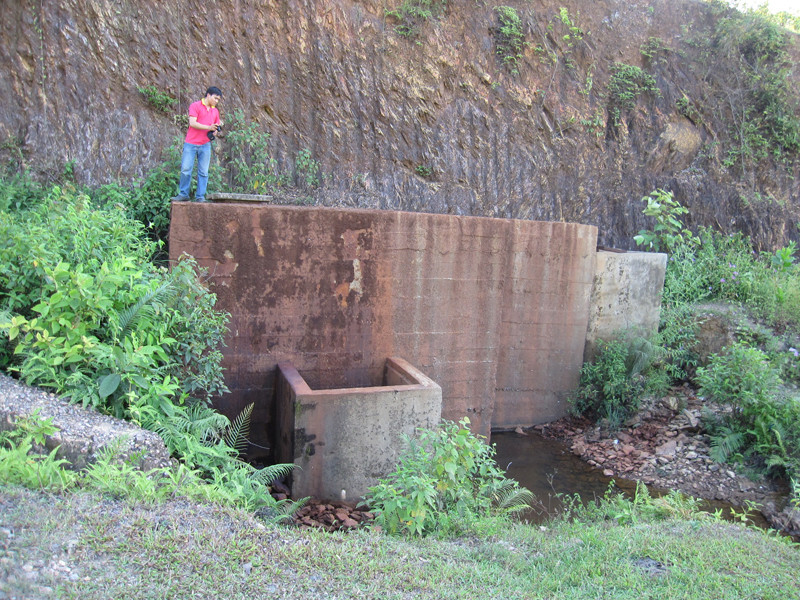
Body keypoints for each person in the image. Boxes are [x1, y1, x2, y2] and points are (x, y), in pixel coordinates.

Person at [173, 86, 223, 202]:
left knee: (203, 172)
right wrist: (208, 127)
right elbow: (192, 123)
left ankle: (200, 196)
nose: (216, 101)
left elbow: (215, 126)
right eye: (215, 98)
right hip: (191, 143)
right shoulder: (195, 106)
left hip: (205, 144)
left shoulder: (215, 111)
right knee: (186, 169)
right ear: (208, 95)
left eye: (218, 99)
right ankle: (183, 194)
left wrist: (214, 131)